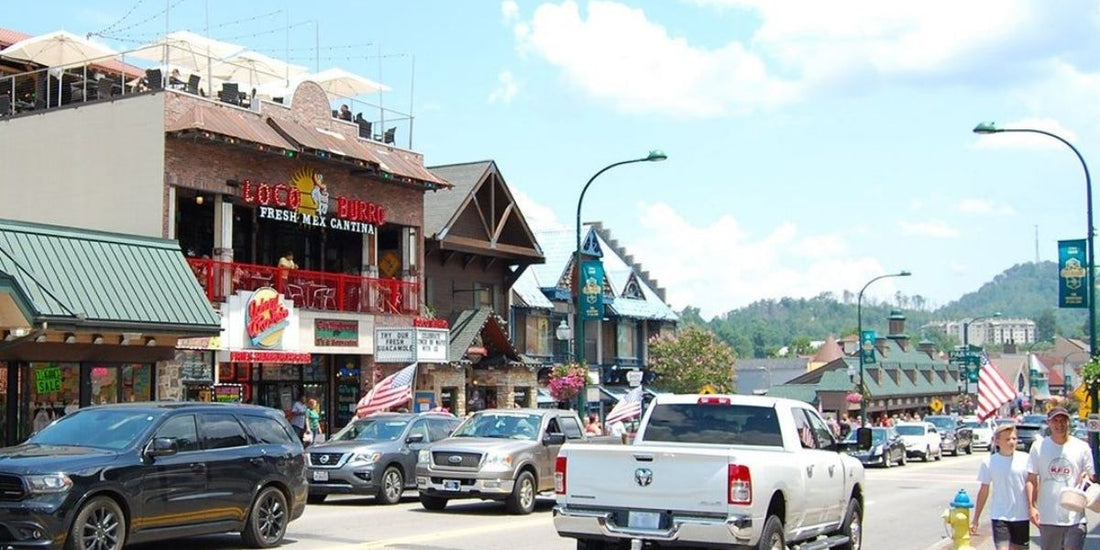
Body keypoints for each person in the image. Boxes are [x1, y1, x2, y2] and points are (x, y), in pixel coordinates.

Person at [1027, 406, 1095, 550]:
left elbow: (1091, 478)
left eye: (1063, 420)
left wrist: (1087, 479)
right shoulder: (1039, 447)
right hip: (1048, 516)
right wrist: (1032, 507)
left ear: (1068, 422)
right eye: (1055, 420)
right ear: (1049, 423)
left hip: (1075, 515)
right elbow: (1031, 479)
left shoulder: (1082, 447)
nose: (1059, 424)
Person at [971, 423, 1030, 549]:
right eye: (1007, 439)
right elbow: (984, 490)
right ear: (997, 441)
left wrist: (1035, 508)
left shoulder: (1026, 459)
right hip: (1000, 516)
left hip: (1021, 516)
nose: (1012, 442)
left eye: (1014, 438)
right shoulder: (989, 462)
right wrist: (976, 518)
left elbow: (1034, 486)